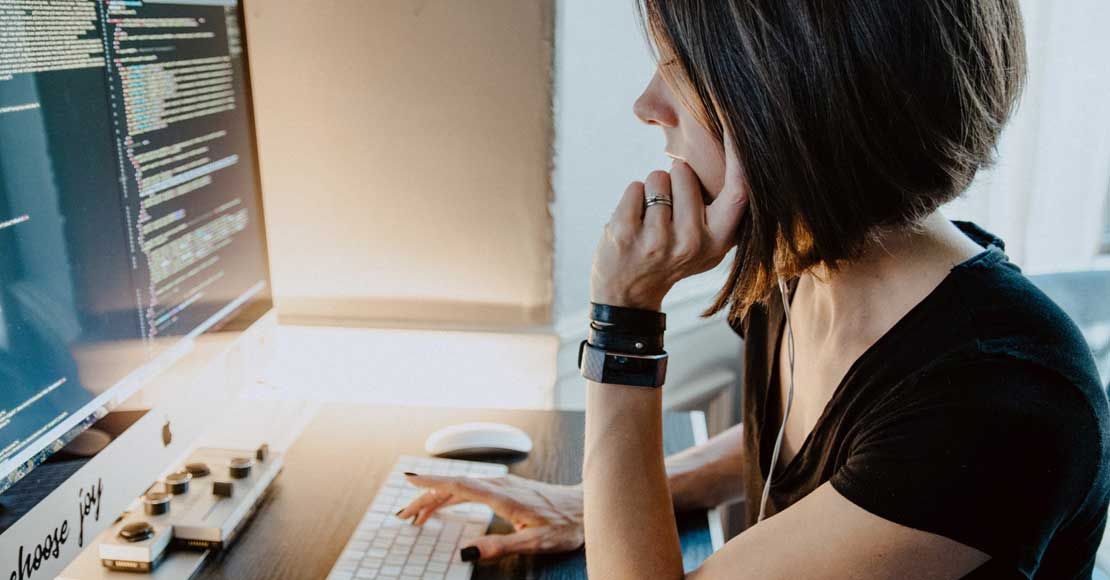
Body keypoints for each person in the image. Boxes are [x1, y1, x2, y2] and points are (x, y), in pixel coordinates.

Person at [398, 1, 1110, 577]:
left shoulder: (997, 401)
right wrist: (587, 505)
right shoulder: (804, 267)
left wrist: (624, 318)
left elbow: (916, 449)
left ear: (798, 99)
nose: (647, 104)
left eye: (680, 70)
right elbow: (858, 457)